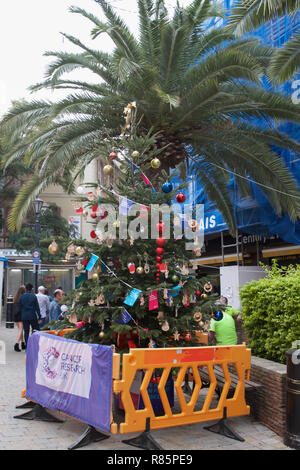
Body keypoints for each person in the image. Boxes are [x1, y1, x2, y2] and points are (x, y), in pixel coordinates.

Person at [19, 283, 42, 347]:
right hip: (32, 315)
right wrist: (39, 317)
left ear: (25, 288)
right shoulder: (33, 296)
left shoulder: (22, 296)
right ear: (32, 289)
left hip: (24, 316)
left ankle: (27, 345)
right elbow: (37, 307)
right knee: (35, 329)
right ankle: (34, 344)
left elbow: (20, 307)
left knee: (26, 331)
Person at [12, 285, 26, 352]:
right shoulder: (23, 298)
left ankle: (23, 343)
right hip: (20, 315)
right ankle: (17, 344)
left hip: (16, 315)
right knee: (21, 329)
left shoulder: (15, 297)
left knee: (20, 330)